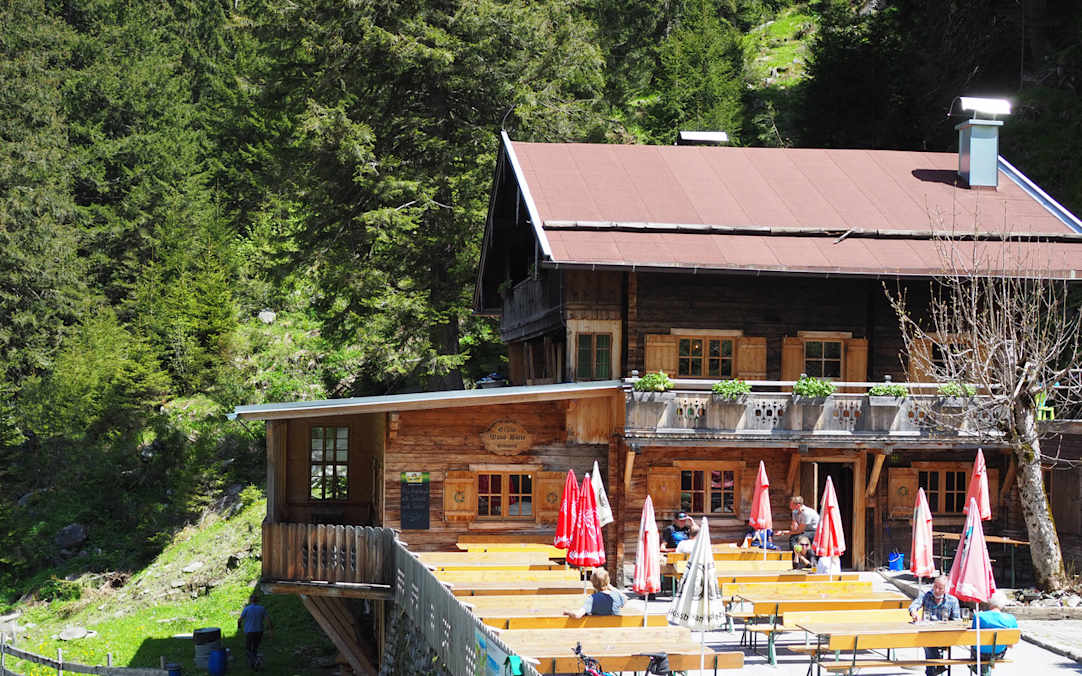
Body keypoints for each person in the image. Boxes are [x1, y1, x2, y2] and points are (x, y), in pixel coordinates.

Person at [908, 576, 961, 676]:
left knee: (927, 642)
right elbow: (914, 605)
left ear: (946, 589)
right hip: (928, 633)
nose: (936, 590)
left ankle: (934, 669)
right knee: (926, 640)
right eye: (935, 587)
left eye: (940, 588)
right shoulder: (926, 595)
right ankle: (938, 665)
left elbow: (957, 620)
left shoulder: (952, 600)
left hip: (944, 635)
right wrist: (914, 612)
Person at [969, 591, 1017, 674]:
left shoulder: (979, 616)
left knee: (976, 647)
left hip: (979, 653)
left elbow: (973, 639)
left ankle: (978, 667)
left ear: (989, 602)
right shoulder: (1011, 618)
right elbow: (1011, 645)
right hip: (998, 654)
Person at [239, 593, 272, 670]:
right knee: (255, 647)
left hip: (249, 632)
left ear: (250, 600)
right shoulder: (262, 608)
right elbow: (268, 620)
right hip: (259, 631)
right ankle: (256, 661)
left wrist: (239, 626)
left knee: (248, 648)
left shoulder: (246, 609)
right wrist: (270, 630)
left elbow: (240, 619)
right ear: (258, 600)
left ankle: (252, 663)